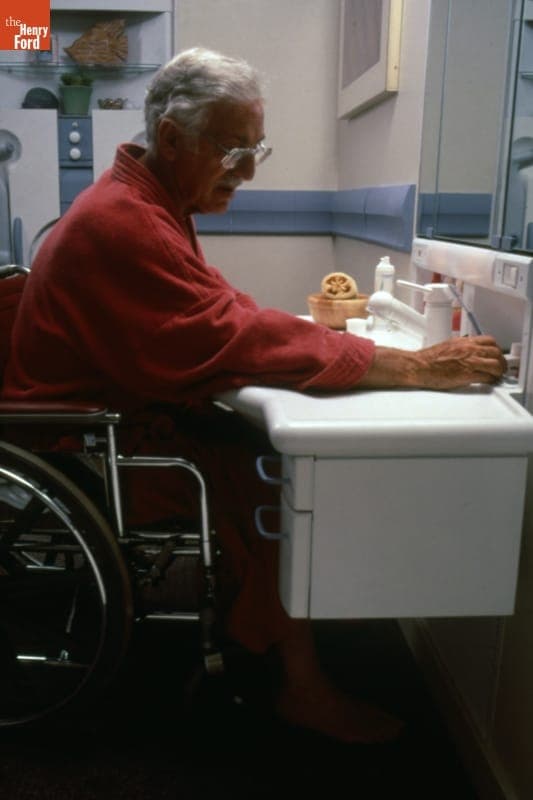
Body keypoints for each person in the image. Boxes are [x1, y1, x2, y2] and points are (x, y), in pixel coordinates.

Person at [2, 48, 506, 744]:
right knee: (262, 475)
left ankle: (271, 642)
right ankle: (298, 684)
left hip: (102, 421)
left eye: (254, 147)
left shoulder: (141, 200)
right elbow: (227, 332)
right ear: (173, 139)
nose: (248, 170)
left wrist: (376, 358)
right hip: (82, 446)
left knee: (254, 446)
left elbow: (215, 311)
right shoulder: (122, 220)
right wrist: (410, 367)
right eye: (233, 149)